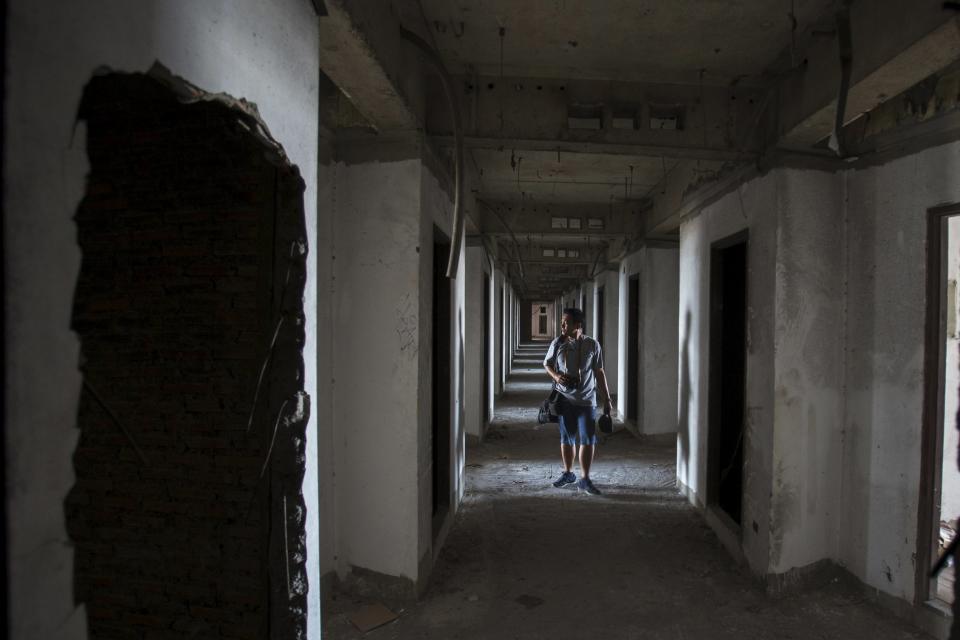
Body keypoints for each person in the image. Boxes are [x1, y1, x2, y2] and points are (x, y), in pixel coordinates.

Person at [543, 307, 613, 495]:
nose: (562, 325)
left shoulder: (592, 345)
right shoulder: (558, 343)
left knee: (588, 439)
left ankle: (585, 479)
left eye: (566, 322)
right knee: (567, 439)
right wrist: (556, 377)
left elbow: (599, 372)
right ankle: (568, 473)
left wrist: (607, 398)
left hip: (586, 400)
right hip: (564, 399)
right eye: (562, 322)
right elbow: (546, 364)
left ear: (578, 325)